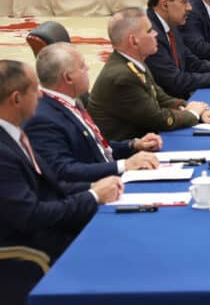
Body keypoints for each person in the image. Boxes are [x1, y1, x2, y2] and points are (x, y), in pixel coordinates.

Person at [0, 60, 122, 263]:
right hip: (30, 253)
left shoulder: (15, 133)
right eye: (34, 89)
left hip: (53, 229)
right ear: (16, 99)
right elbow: (31, 215)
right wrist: (92, 196)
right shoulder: (3, 153)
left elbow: (51, 186)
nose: (40, 95)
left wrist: (94, 187)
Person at [24, 43, 161, 182]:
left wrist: (133, 145)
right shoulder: (43, 119)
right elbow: (63, 170)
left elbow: (95, 149)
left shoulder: (71, 101)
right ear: (68, 78)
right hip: (94, 191)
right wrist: (124, 165)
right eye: (82, 66)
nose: (88, 68)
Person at [89, 8, 210, 141]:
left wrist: (198, 110)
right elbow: (158, 119)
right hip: (130, 153)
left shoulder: (134, 63)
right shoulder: (122, 76)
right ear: (133, 40)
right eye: (149, 31)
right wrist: (192, 114)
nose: (156, 34)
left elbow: (161, 99)